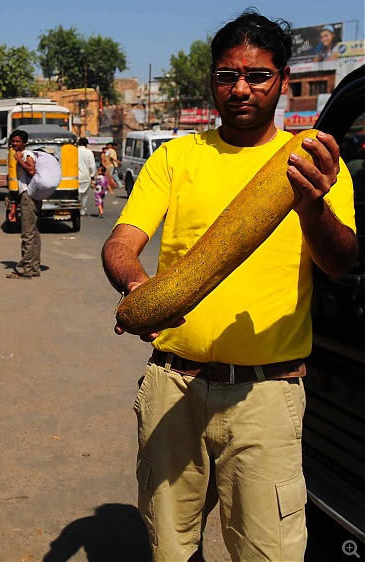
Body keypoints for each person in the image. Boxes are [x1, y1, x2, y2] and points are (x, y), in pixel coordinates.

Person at [101, 9, 357, 562]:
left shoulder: (311, 161)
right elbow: (120, 243)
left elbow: (340, 262)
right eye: (226, 76)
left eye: (257, 75)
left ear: (283, 80)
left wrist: (312, 206)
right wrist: (138, 285)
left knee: (270, 552)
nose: (240, 88)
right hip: (175, 388)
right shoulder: (176, 157)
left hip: (265, 398)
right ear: (213, 80)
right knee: (170, 548)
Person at [6, 129, 41, 279]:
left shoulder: (26, 155)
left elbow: (32, 171)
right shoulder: (25, 154)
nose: (14, 144)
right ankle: (34, 267)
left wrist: (18, 159)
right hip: (29, 196)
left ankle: (25, 269)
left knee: (27, 233)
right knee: (34, 233)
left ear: (24, 143)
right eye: (13, 141)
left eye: (17, 141)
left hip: (29, 197)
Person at [77, 137, 97, 216]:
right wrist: (92, 175)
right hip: (85, 176)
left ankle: (76, 209)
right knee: (84, 195)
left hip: (74, 176)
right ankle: (83, 210)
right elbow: (92, 166)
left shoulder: (74, 151)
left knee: (76, 194)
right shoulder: (89, 152)